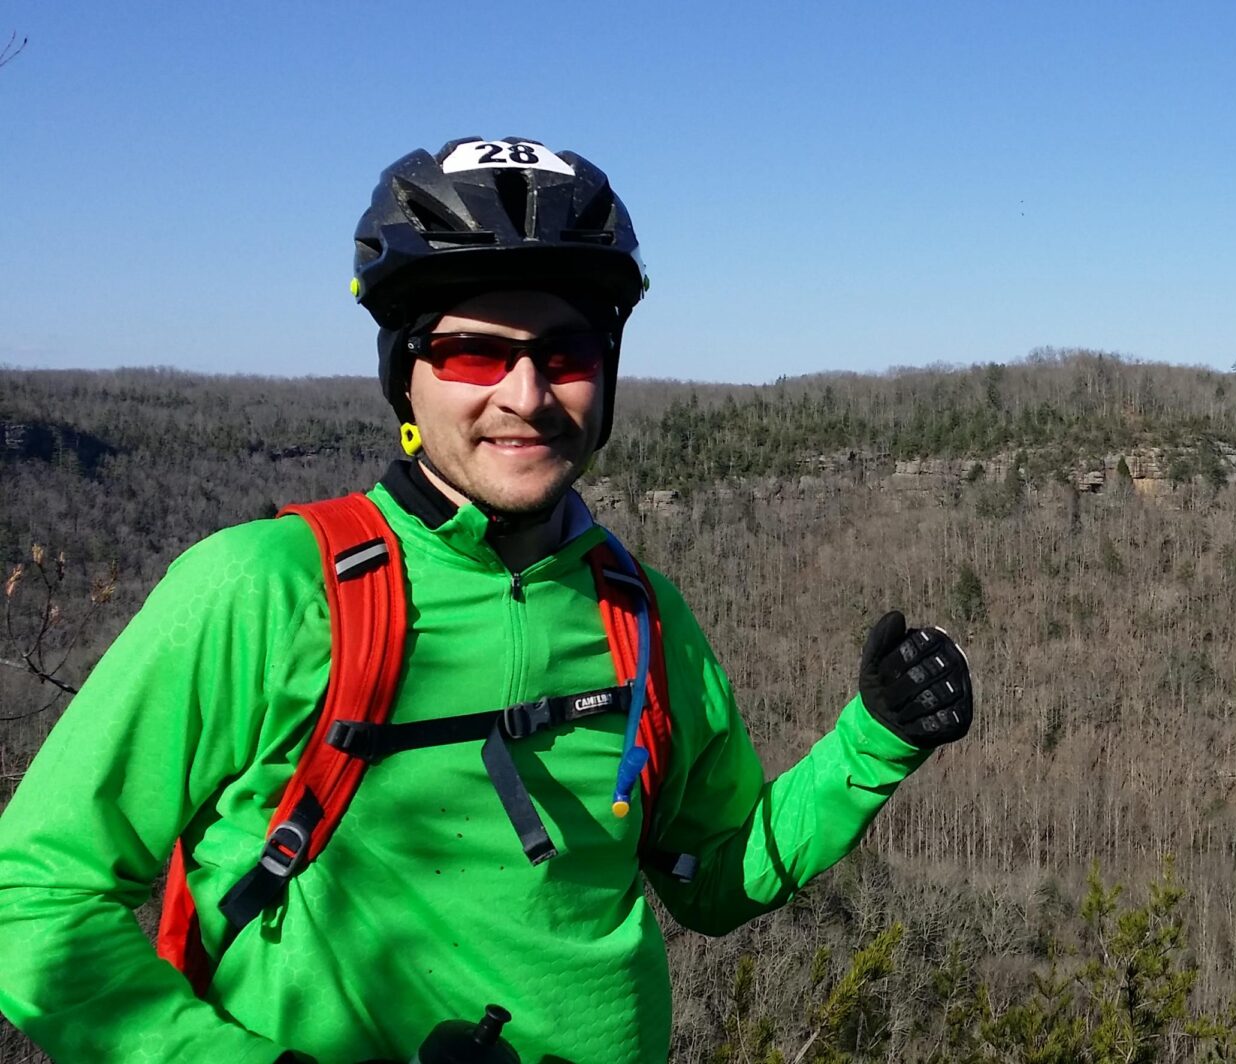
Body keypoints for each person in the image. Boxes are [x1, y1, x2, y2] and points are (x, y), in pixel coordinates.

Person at [0, 137, 974, 1062]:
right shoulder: (267, 588)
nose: (524, 393)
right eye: (471, 351)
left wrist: (871, 742)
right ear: (405, 375)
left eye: (565, 352)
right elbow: (34, 896)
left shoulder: (637, 615)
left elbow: (713, 877)